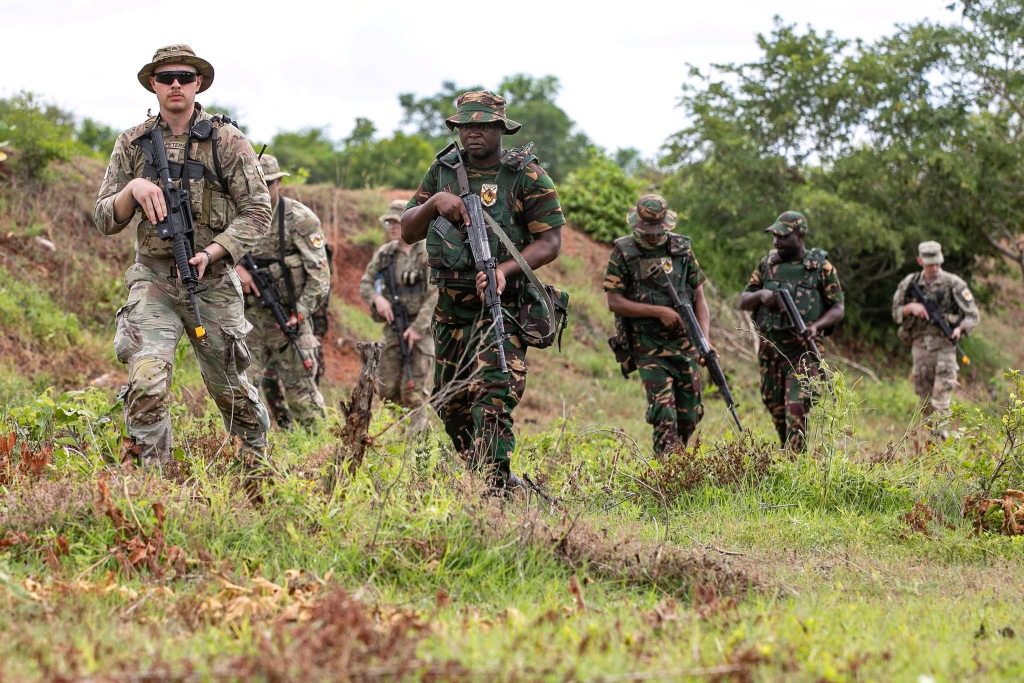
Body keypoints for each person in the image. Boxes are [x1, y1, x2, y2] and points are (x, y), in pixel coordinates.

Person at [94, 45, 271, 467]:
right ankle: (151, 481)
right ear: (152, 84)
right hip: (154, 279)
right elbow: (103, 217)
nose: (176, 84)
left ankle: (256, 474)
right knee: (147, 382)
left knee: (231, 390)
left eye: (185, 77)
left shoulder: (227, 140)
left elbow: (258, 210)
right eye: (166, 77)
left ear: (199, 84)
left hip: (212, 282)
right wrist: (133, 189)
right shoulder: (132, 143)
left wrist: (213, 252)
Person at [401, 91, 564, 488]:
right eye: (465, 127)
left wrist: (504, 271)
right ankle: (493, 481)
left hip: (502, 306)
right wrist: (435, 203)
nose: (472, 134)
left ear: (500, 128)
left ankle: (494, 489)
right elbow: (407, 229)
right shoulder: (442, 172)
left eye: (483, 126)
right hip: (451, 310)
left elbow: (550, 242)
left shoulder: (526, 176)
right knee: (449, 402)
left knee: (492, 398)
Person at [604, 195, 711, 454]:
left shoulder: (682, 250)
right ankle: (665, 468)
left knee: (690, 415)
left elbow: (699, 297)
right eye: (646, 231)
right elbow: (614, 301)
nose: (652, 237)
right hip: (648, 348)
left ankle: (677, 461)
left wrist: (704, 341)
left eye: (657, 231)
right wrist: (659, 312)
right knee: (664, 415)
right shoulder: (624, 252)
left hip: (684, 345)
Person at [235, 154, 330, 430]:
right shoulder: (238, 216)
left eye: (268, 184)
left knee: (302, 395)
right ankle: (246, 445)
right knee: (241, 390)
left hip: (288, 317)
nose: (263, 191)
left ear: (278, 183)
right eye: (256, 185)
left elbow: (320, 275)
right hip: (249, 319)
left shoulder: (299, 218)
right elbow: (213, 252)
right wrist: (237, 269)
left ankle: (319, 447)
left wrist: (300, 313)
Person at [738, 211, 845, 451]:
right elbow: (743, 300)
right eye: (774, 236)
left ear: (800, 236)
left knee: (796, 408)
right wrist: (761, 295)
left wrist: (815, 326)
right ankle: (789, 454)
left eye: (783, 236)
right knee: (775, 407)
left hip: (802, 352)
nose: (776, 241)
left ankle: (796, 463)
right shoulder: (767, 265)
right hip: (770, 351)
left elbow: (838, 307)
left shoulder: (821, 268)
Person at [358, 199, 437, 427]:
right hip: (393, 329)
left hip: (420, 331)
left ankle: (418, 441)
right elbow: (365, 283)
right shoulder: (385, 254)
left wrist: (417, 328)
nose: (392, 227)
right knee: (387, 390)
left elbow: (435, 293)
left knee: (413, 392)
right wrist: (378, 299)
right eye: (389, 223)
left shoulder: (427, 252)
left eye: (396, 222)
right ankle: (402, 431)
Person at [892, 240, 979, 436]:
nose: (934, 268)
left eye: (937, 263)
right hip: (920, 347)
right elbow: (895, 313)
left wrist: (959, 329)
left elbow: (973, 315)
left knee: (941, 400)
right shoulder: (910, 283)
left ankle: (942, 441)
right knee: (924, 402)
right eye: (930, 264)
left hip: (944, 348)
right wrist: (910, 308)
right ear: (920, 261)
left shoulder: (953, 283)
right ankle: (931, 445)